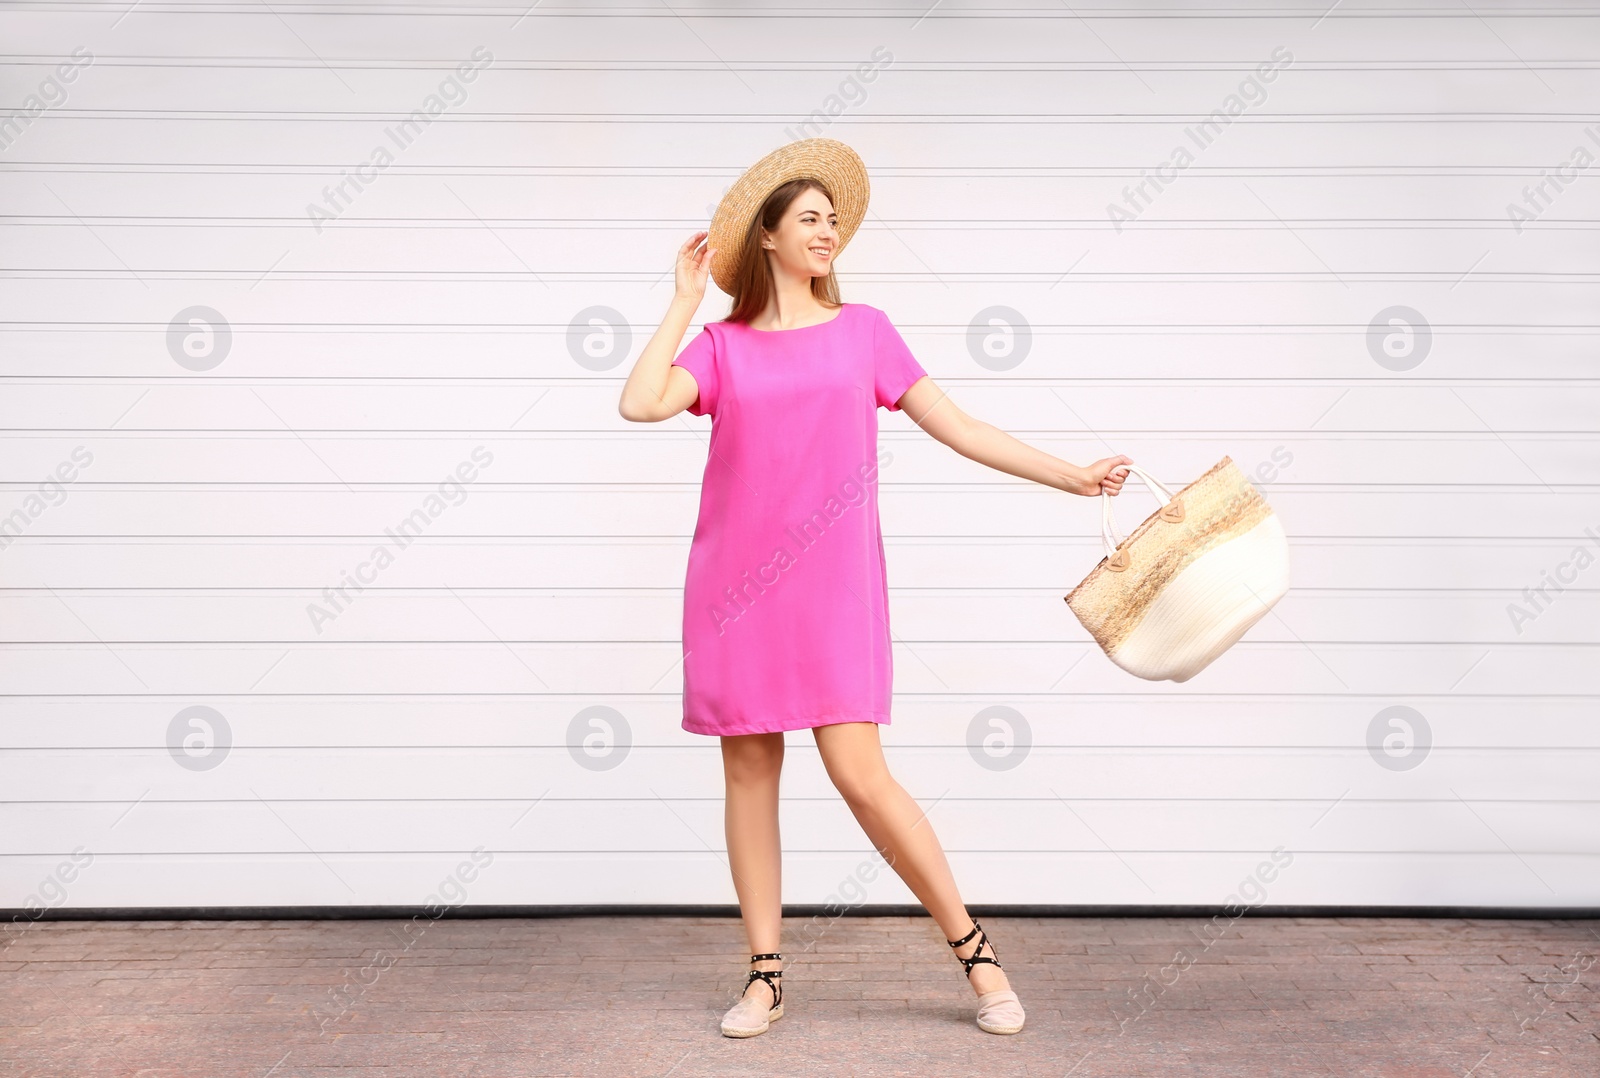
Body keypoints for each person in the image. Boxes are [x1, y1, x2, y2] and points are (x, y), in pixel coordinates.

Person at [618, 138, 1130, 1038]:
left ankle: (978, 958)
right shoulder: (721, 348)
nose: (828, 234)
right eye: (809, 220)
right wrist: (682, 302)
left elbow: (959, 427)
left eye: (833, 222)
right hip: (735, 591)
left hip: (833, 588)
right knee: (748, 771)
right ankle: (765, 977)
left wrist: (1069, 476)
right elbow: (640, 403)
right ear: (767, 238)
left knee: (860, 775)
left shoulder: (867, 332)